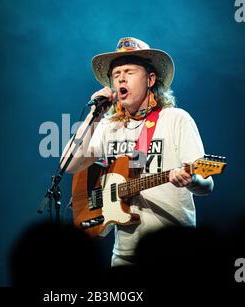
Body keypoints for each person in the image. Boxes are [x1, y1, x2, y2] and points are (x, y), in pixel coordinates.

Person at [61, 37, 214, 266]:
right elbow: (69, 165)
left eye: (129, 71)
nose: (121, 77)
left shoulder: (176, 119)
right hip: (124, 254)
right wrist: (95, 115)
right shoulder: (108, 125)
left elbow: (207, 185)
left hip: (175, 252)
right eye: (116, 74)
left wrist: (191, 180)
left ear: (151, 79)